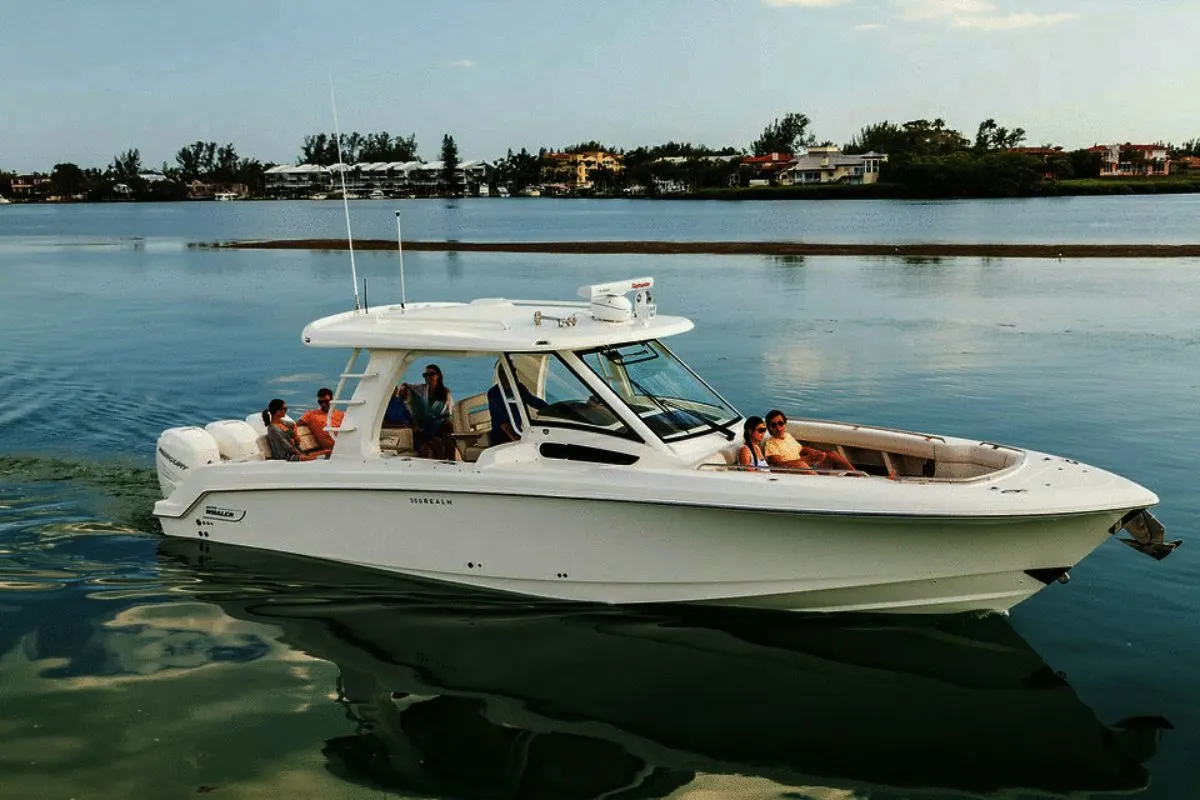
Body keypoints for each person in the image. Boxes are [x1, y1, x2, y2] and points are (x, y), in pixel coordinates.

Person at [763, 409, 855, 473]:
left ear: (785, 423)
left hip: (807, 467)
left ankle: (857, 475)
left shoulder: (787, 436)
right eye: (774, 425)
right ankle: (820, 484)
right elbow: (778, 464)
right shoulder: (770, 444)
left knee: (832, 454)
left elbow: (800, 449)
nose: (778, 428)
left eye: (780, 423)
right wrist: (805, 460)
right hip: (793, 472)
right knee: (801, 465)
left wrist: (814, 452)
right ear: (769, 428)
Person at [401, 363, 457, 459]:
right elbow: (406, 385)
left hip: (440, 426)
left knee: (450, 445)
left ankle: (452, 466)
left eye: (431, 374)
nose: (428, 377)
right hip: (426, 427)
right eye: (425, 375)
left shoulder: (445, 393)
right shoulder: (421, 389)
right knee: (440, 445)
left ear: (438, 376)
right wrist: (403, 389)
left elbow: (449, 412)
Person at [487, 367, 548, 443]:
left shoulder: (519, 388)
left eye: (511, 370)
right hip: (501, 433)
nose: (506, 374)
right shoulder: (494, 392)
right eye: (503, 372)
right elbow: (502, 421)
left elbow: (533, 401)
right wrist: (516, 437)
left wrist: (550, 410)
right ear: (498, 374)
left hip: (518, 429)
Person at [296, 387, 344, 452]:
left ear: (332, 400)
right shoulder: (311, 415)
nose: (323, 404)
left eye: (326, 401)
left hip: (344, 446)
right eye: (320, 402)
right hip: (330, 452)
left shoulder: (341, 415)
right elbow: (296, 425)